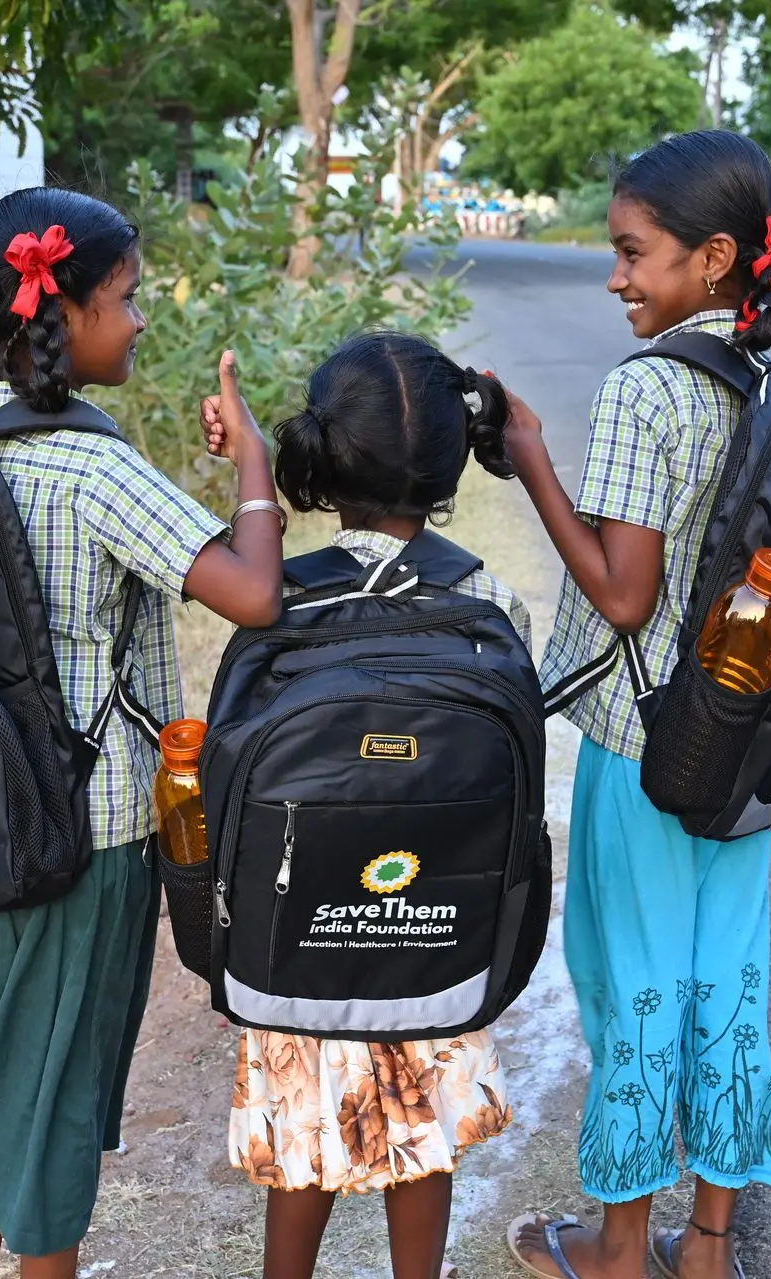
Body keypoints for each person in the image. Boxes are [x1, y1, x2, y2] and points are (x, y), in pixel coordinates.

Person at [0, 186, 285, 1279]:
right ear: (65, 311)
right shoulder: (94, 465)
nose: (141, 318)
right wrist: (251, 464)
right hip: (91, 825)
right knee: (57, 1091)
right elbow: (255, 594)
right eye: (127, 297)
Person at [494, 131, 771, 1279]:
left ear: (714, 257)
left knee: (634, 987)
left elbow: (623, 596)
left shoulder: (647, 389)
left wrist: (529, 455)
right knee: (729, 985)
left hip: (644, 743)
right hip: (748, 752)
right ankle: (708, 1247)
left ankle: (620, 1248)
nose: (616, 278)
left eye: (633, 253)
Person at [229, 330, 529, 1279]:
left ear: (323, 456)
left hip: (299, 933)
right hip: (436, 929)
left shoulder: (278, 605)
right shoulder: (485, 596)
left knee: (300, 1133)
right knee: (423, 1136)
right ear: (447, 470)